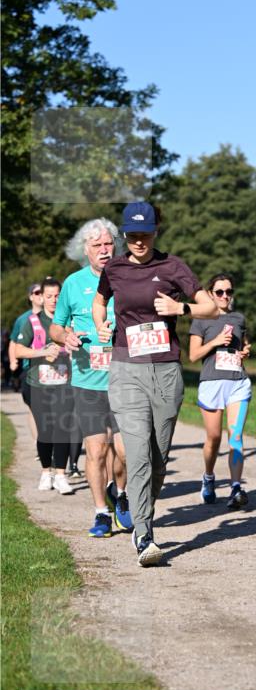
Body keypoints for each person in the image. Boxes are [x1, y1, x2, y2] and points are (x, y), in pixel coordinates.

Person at [93, 201, 217, 566]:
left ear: (155, 231)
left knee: (159, 458)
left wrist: (182, 310)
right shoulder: (113, 268)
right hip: (126, 369)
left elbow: (209, 305)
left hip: (165, 370)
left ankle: (139, 505)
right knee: (138, 453)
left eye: (145, 233)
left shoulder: (172, 267)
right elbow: (101, 302)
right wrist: (101, 323)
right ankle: (144, 534)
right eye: (132, 235)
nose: (139, 241)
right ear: (124, 235)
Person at [50, 218, 133, 538]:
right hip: (88, 382)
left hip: (126, 379)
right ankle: (101, 512)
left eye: (108, 243)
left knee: (125, 452)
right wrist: (64, 337)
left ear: (116, 246)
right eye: (96, 245)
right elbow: (57, 326)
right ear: (85, 250)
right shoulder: (73, 284)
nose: (103, 249)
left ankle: (121, 495)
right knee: (97, 451)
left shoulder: (128, 278)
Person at [189, 273, 252, 507]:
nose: (225, 296)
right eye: (219, 292)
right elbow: (193, 355)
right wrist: (215, 342)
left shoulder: (238, 318)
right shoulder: (201, 320)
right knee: (213, 438)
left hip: (237, 383)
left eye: (229, 292)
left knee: (235, 436)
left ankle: (236, 488)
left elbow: (244, 343)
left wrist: (245, 350)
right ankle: (208, 477)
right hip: (212, 384)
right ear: (209, 294)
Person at [13, 278, 76, 493]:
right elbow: (19, 351)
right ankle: (45, 472)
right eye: (48, 296)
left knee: (63, 428)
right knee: (45, 430)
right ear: (41, 297)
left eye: (57, 296)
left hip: (64, 383)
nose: (53, 300)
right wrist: (43, 352)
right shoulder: (31, 322)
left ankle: (61, 475)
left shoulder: (70, 321)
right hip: (38, 383)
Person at [9, 283, 45, 441]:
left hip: (52, 370)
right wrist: (12, 361)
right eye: (37, 292)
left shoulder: (54, 316)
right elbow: (13, 342)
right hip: (28, 369)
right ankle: (40, 445)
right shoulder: (23, 319)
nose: (40, 295)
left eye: (43, 292)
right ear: (31, 296)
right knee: (33, 409)